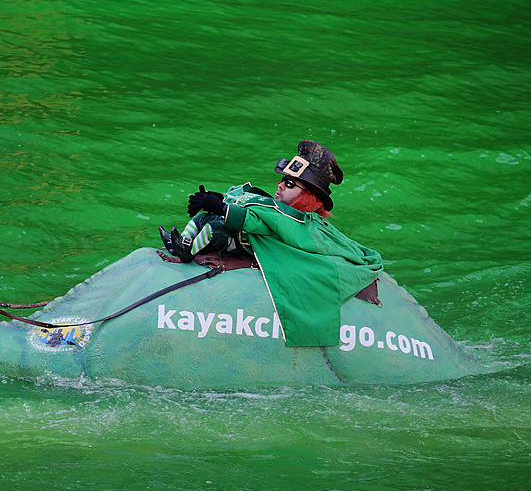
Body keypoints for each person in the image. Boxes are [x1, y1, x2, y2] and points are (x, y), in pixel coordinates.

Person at [159, 139, 383, 347]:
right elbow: (260, 209)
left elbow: (261, 220)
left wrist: (223, 208)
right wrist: (219, 200)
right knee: (204, 220)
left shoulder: (297, 222)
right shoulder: (278, 211)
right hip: (240, 238)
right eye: (282, 180)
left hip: (243, 242)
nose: (280, 186)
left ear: (308, 196)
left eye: (289, 184)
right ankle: (184, 243)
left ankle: (186, 252)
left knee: (215, 229)